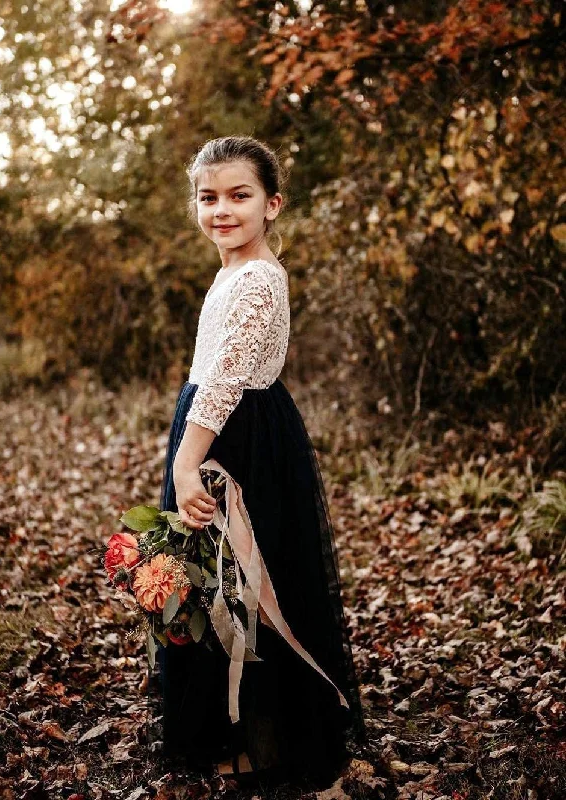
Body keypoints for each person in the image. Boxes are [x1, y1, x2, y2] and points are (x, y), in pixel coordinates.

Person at [148, 135, 367, 791]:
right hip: (223, 430)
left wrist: (189, 465)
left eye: (239, 196)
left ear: (272, 204)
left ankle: (262, 741)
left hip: (235, 442)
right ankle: (238, 731)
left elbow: (222, 383)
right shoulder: (236, 272)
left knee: (242, 583)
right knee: (216, 585)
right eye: (208, 197)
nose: (221, 209)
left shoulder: (258, 281)